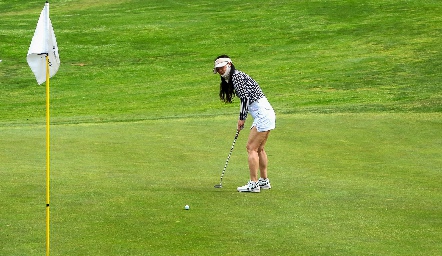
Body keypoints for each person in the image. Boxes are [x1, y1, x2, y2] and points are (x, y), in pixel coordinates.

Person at [213, 55, 276, 193]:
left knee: (251, 148)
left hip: (262, 114)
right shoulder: (236, 76)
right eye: (218, 69)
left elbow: (245, 98)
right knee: (259, 149)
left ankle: (254, 184)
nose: (220, 71)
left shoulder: (237, 77)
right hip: (267, 112)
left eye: (222, 67)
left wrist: (242, 118)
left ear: (229, 64)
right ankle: (264, 181)